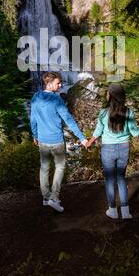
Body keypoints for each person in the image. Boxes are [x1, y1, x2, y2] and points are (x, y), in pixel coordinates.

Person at [85, 83, 139, 220]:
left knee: (109, 180)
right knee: (121, 178)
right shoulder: (128, 112)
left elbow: (98, 132)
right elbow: (135, 132)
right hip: (124, 148)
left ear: (110, 96)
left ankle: (112, 210)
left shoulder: (103, 113)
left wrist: (89, 143)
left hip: (107, 149)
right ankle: (125, 211)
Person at [30, 72, 88, 213]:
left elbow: (33, 119)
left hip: (42, 140)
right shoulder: (56, 100)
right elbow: (68, 120)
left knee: (44, 167)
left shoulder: (36, 97)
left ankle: (45, 198)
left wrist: (35, 135)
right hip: (56, 140)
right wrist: (82, 138)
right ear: (49, 83)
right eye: (58, 83)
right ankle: (54, 198)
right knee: (60, 167)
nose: (61, 85)